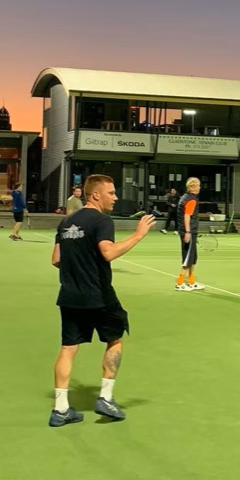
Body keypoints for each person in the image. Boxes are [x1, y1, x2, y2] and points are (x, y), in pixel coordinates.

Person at [50, 175, 155, 427]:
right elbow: (107, 252)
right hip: (98, 294)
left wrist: (78, 266)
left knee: (68, 348)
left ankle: (60, 408)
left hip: (69, 295)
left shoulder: (66, 222)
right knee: (114, 339)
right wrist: (139, 235)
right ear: (95, 195)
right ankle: (106, 398)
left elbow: (56, 259)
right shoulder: (102, 220)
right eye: (111, 192)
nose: (115, 197)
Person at [175, 177, 205, 291]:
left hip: (189, 231)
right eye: (198, 185)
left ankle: (192, 282)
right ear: (193, 187)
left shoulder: (185, 197)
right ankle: (179, 283)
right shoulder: (191, 200)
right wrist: (188, 232)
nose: (199, 187)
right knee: (187, 258)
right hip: (188, 232)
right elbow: (187, 216)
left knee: (192, 258)